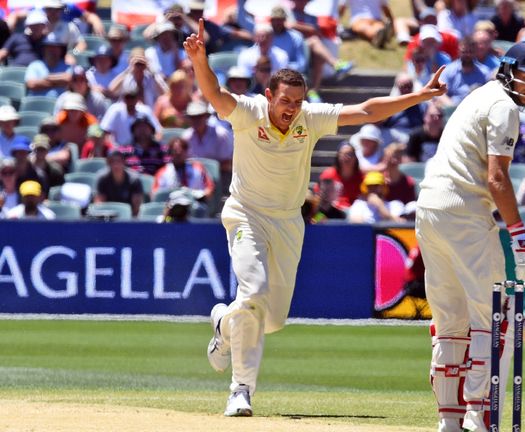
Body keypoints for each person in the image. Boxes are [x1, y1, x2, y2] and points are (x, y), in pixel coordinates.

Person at [183, 18, 446, 417]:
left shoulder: (309, 118)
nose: (291, 109)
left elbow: (368, 110)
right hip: (246, 215)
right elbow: (216, 96)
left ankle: (222, 323)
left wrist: (420, 97)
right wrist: (200, 60)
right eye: (285, 101)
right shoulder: (249, 112)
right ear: (268, 95)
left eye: (297, 102)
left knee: (270, 320)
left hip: (288, 221)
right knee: (252, 293)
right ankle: (241, 390)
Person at [415, 41, 525, 432]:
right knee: (493, 317)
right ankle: (480, 416)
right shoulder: (504, 107)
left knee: (449, 321)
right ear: (507, 69)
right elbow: (496, 178)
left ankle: (450, 419)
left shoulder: (479, 95)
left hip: (429, 209)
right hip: (465, 214)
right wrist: (521, 236)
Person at [94, 150, 144, 217]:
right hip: (108, 219)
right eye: (112, 162)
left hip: (129, 219)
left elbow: (136, 208)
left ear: (124, 162)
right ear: (108, 163)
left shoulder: (134, 179)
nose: (115, 165)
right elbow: (99, 205)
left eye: (118, 161)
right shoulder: (102, 179)